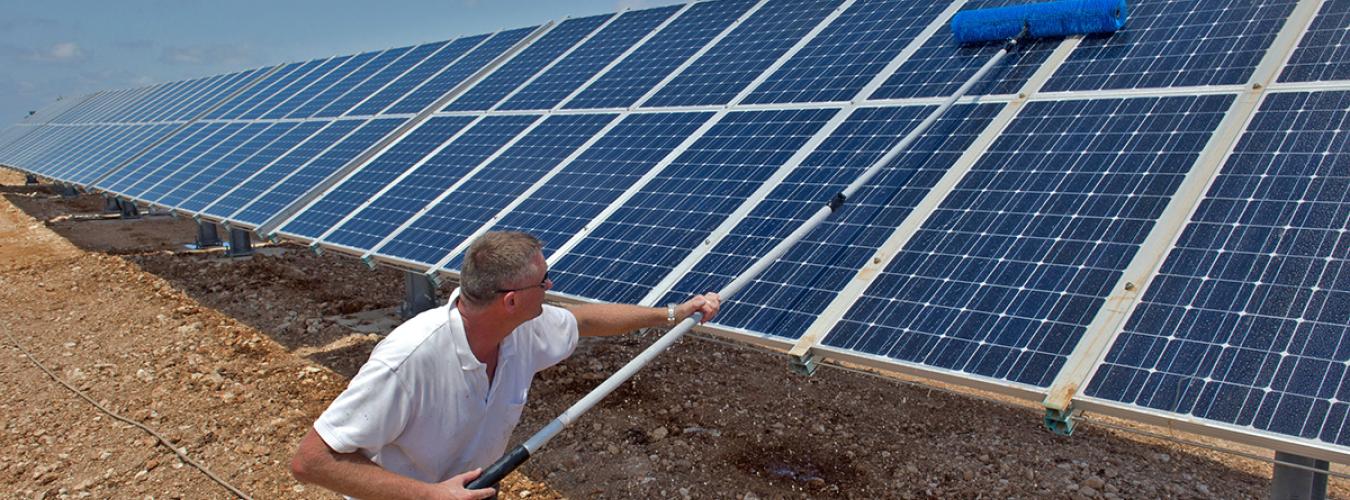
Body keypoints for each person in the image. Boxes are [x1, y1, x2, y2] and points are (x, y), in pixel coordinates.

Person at [290, 231, 720, 499]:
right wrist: (430, 496)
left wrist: (673, 313)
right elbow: (311, 461)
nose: (550, 288)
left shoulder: (522, 328)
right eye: (544, 282)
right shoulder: (409, 360)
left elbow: (584, 319)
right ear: (511, 300)